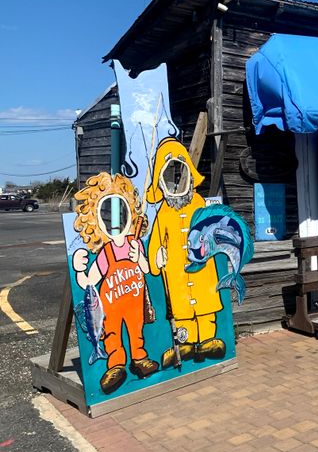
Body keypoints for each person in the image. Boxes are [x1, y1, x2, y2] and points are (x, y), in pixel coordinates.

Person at [72, 173, 158, 395]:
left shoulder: (135, 243)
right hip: (110, 305)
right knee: (112, 333)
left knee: (136, 329)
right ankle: (116, 365)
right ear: (97, 220)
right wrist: (79, 268)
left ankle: (139, 357)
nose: (115, 223)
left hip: (134, 301)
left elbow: (147, 269)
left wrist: (139, 257)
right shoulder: (106, 252)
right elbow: (90, 281)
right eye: (107, 215)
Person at [145, 138, 225, 367]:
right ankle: (186, 342)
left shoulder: (199, 203)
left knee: (206, 303)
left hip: (200, 269)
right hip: (176, 272)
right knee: (180, 309)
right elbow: (156, 241)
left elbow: (211, 229)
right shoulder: (164, 212)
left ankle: (209, 339)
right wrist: (156, 258)